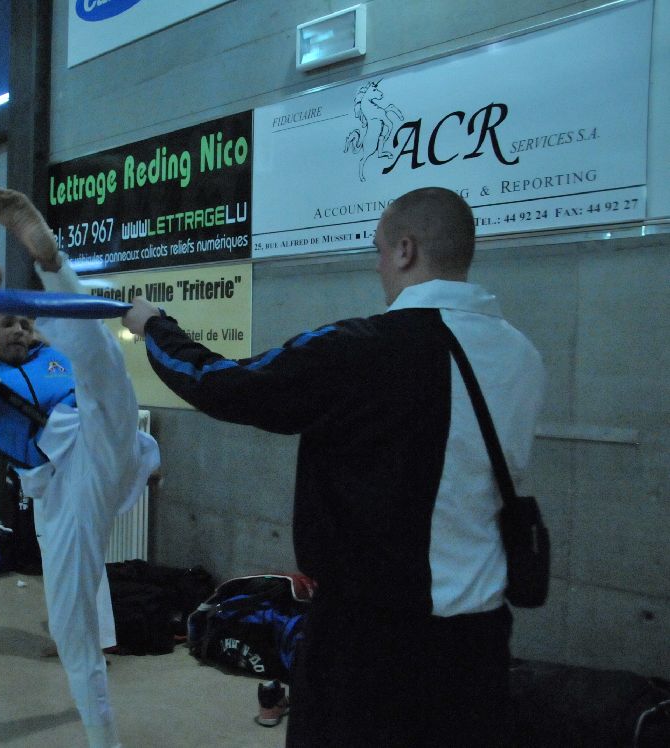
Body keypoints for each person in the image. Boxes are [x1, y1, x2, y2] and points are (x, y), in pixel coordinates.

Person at [123, 187, 546, 746]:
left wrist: (155, 325)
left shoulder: (365, 349)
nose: (378, 267)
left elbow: (221, 385)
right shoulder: (522, 355)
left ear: (405, 250)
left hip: (369, 644)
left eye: (378, 251)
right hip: (479, 645)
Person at [0, 187, 159, 748]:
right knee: (70, 620)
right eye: (7, 325)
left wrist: (132, 457)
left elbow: (91, 360)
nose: (20, 330)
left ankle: (51, 260)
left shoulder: (56, 357)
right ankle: (102, 736)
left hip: (100, 437)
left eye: (26, 322)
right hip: (63, 487)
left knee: (102, 361)